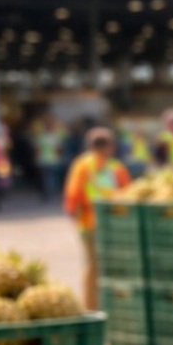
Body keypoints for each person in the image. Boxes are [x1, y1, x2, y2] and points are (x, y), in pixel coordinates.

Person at [63, 127, 132, 310]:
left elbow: (72, 196)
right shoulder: (116, 167)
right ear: (109, 146)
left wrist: (74, 218)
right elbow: (129, 194)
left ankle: (92, 307)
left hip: (88, 224)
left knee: (93, 267)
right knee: (108, 267)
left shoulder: (82, 166)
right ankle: (108, 307)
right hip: (111, 224)